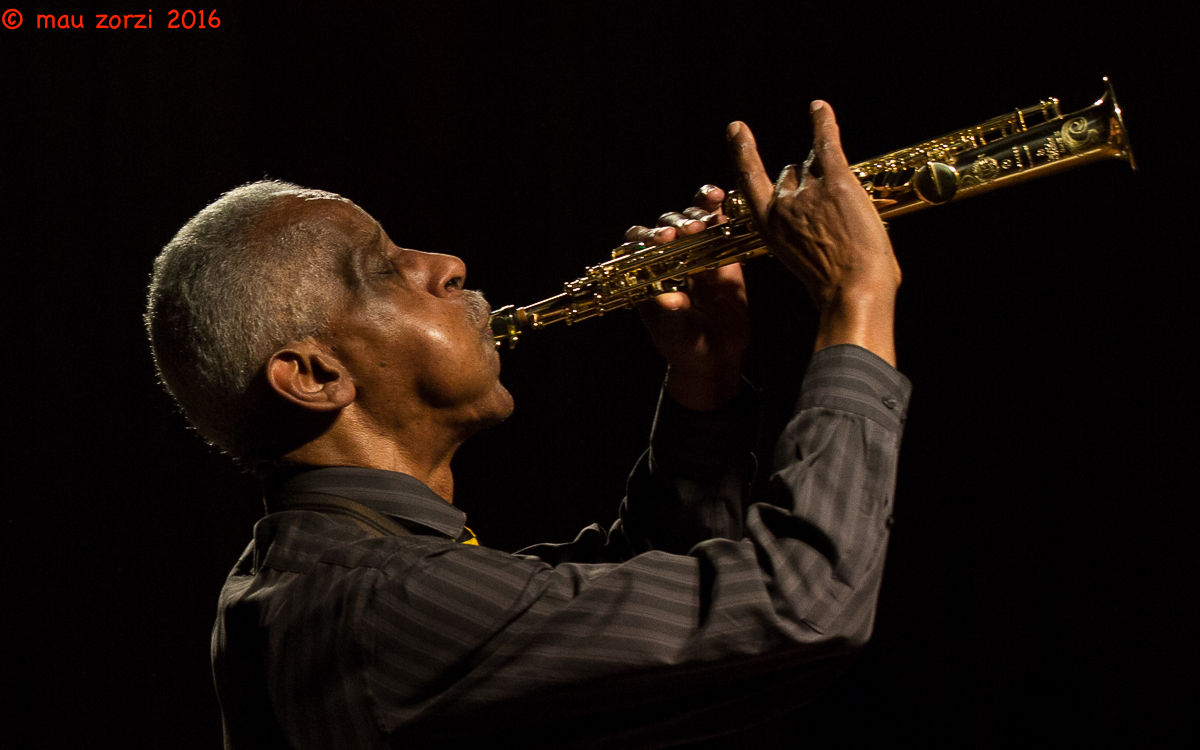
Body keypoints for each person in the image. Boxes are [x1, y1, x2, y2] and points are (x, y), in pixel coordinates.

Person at [145, 101, 909, 748]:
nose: (446, 264)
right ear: (314, 376)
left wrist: (702, 380)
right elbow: (802, 603)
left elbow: (634, 609)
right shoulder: (374, 607)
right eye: (382, 269)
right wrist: (856, 297)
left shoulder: (328, 575)